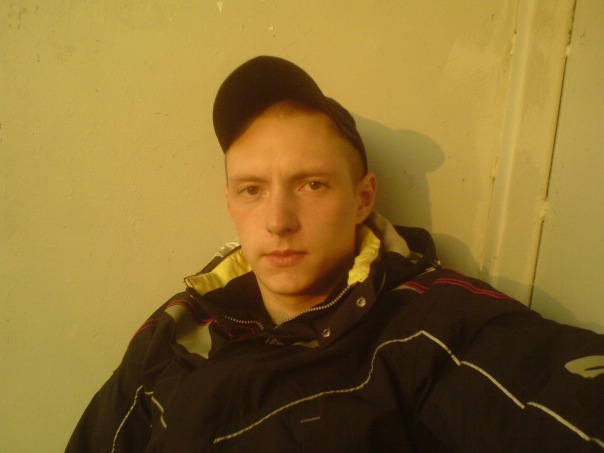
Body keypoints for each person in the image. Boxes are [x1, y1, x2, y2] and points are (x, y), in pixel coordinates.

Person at [66, 56, 604, 452]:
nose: (278, 221)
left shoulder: (431, 325)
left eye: (312, 184)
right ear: (229, 203)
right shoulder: (175, 330)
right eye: (252, 189)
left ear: (363, 199)